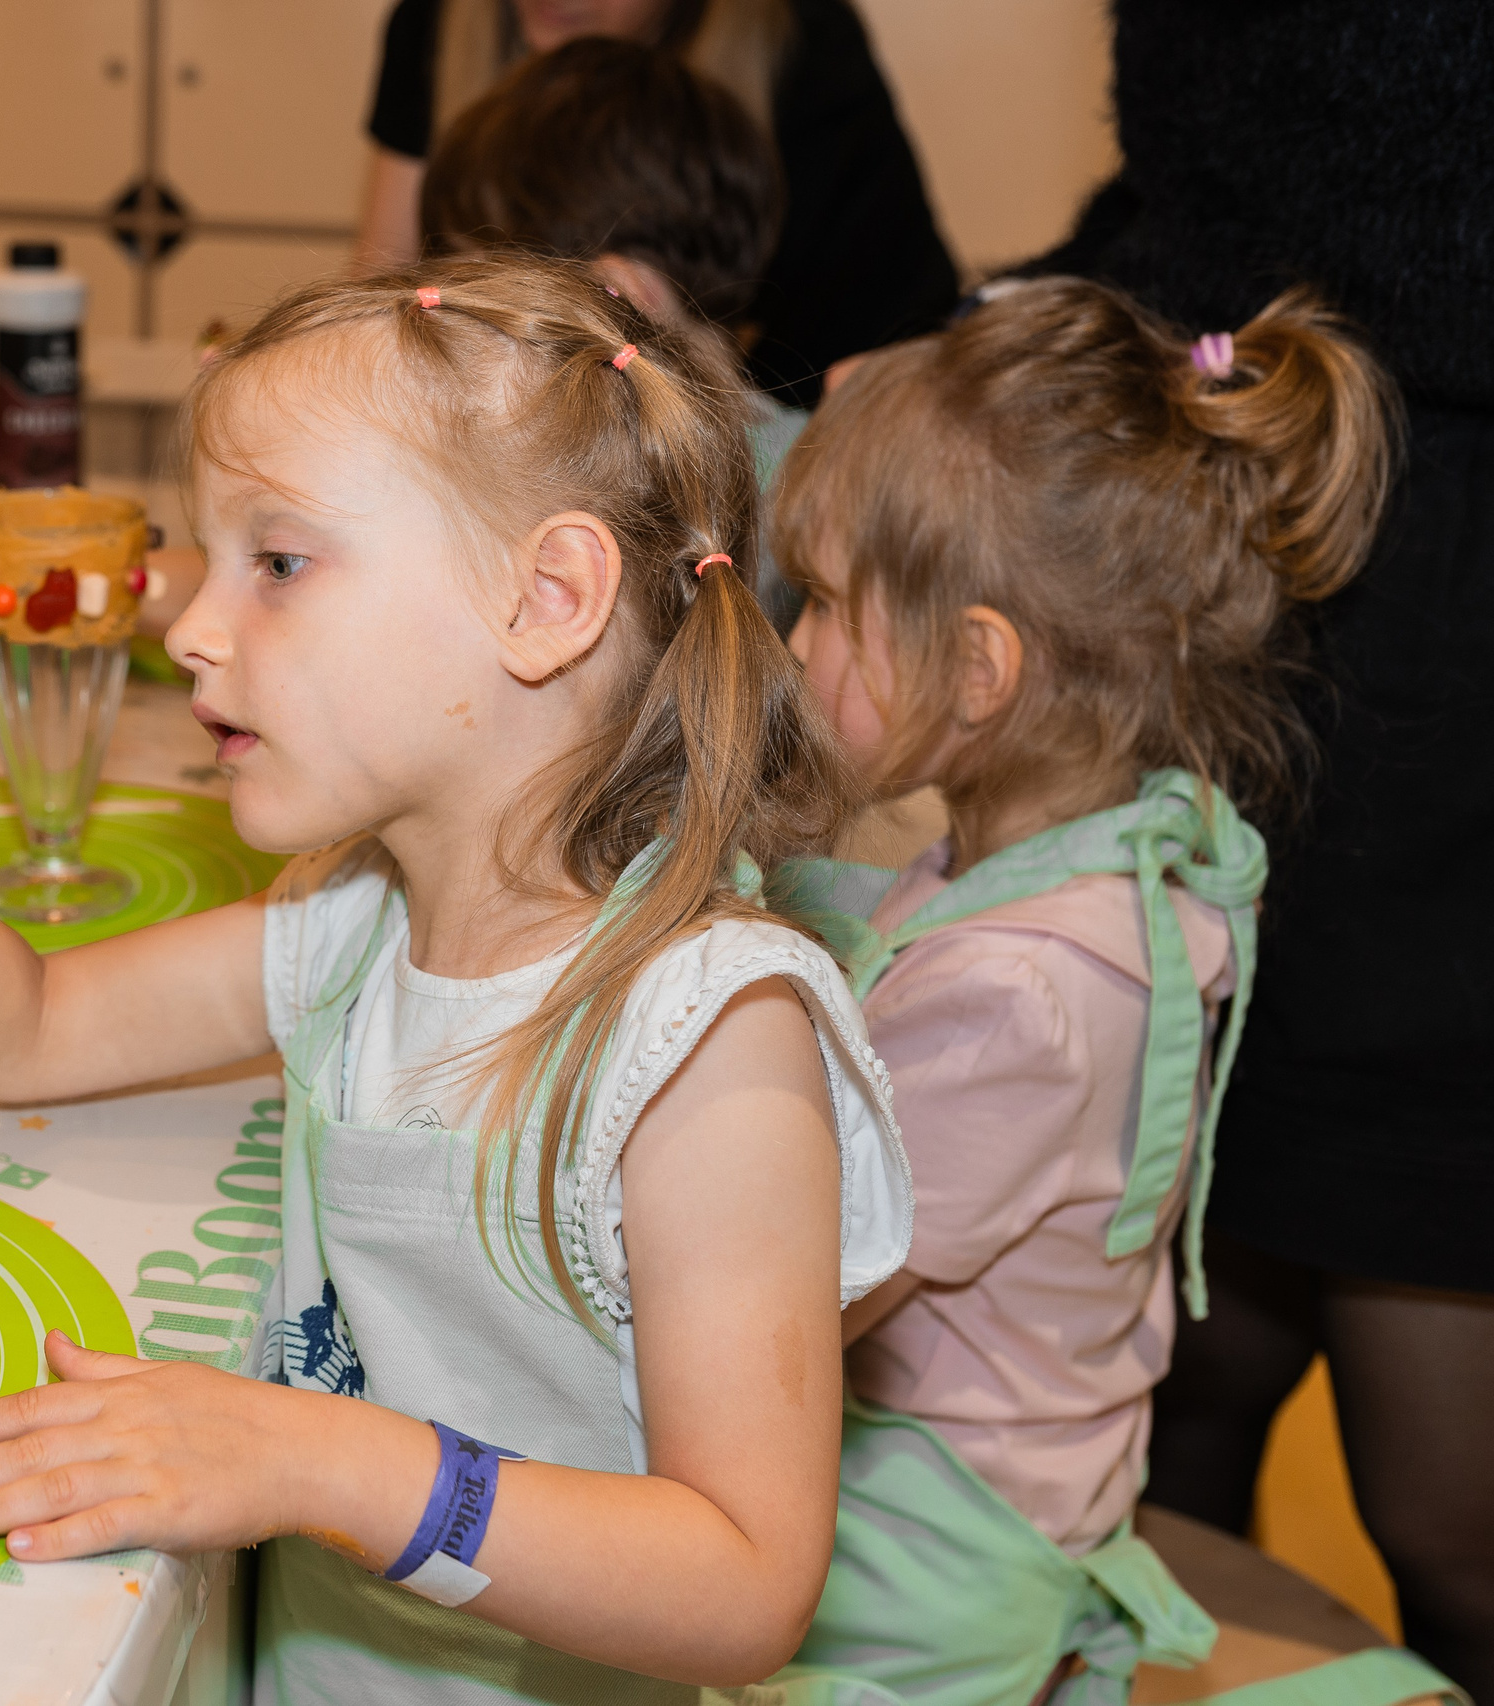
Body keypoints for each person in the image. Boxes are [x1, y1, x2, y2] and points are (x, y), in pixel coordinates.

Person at [0, 252, 913, 1702]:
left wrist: (301, 1454)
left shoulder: (706, 1041)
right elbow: (27, 1029)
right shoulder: (356, 919)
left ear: (548, 597)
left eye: (277, 563)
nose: (188, 630)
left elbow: (742, 1580)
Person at [768, 277, 1447, 1706]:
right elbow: (898, 938)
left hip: (924, 1562)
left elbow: (784, 1300)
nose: (795, 646)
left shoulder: (1025, 992)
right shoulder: (1091, 858)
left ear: (979, 669)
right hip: (1017, 1484)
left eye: (825, 606)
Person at [998, 8, 1494, 1691]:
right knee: (1160, 1412)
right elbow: (1212, 182)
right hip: (1237, 622)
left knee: (1452, 1514)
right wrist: (1039, 320)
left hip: (1459, 713)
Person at [358, 0, 957, 409]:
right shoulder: (435, 24)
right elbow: (379, 291)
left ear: (626, 292)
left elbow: (904, 342)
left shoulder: (808, 52)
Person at [419, 35, 807, 623]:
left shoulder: (808, 494)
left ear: (617, 299)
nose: (459, 324)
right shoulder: (806, 460)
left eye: (489, 301)